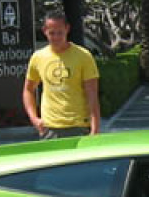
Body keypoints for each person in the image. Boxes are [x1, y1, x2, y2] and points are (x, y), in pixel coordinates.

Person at [22, 10, 100, 138]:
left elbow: (92, 94)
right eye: (52, 33)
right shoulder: (38, 57)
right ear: (44, 31)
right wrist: (34, 119)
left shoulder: (83, 56)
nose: (56, 37)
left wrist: (95, 129)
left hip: (78, 126)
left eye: (60, 33)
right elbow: (28, 90)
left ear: (67, 29)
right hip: (49, 128)